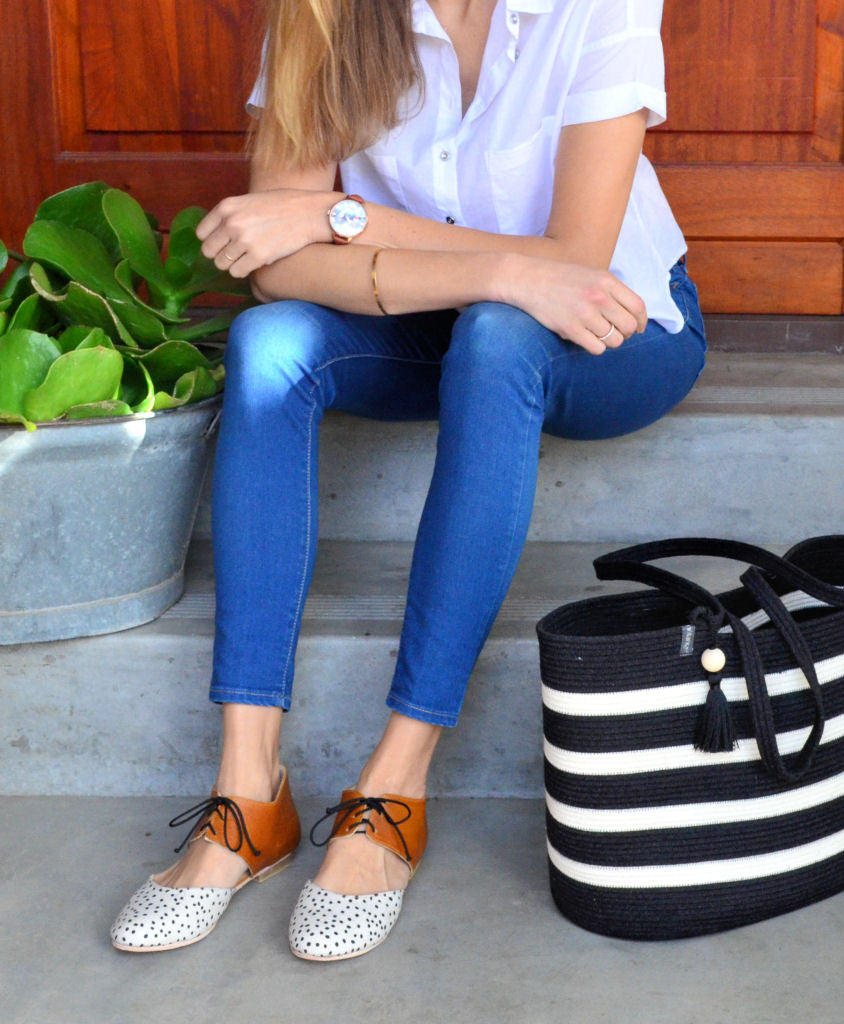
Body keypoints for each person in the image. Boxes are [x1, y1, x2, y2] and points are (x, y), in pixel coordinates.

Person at [110, 0, 706, 961]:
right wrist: (485, 269)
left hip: (614, 328)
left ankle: (393, 789)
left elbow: (576, 266)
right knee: (268, 348)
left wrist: (336, 216)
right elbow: (281, 269)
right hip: (431, 321)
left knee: (501, 335)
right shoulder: (325, 10)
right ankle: (247, 793)